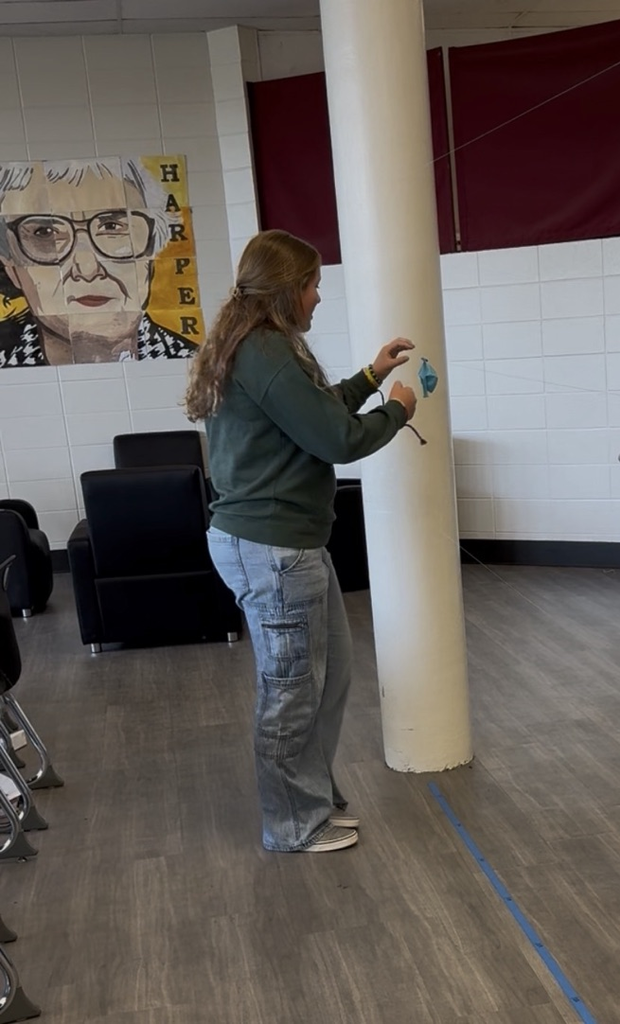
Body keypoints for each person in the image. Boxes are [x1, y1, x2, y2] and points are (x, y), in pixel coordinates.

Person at [184, 229, 417, 853]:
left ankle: (309, 802)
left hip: (285, 546)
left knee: (329, 676)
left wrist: (372, 375)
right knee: (291, 691)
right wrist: (397, 409)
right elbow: (338, 440)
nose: (319, 296)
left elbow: (317, 414)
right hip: (272, 551)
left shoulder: (262, 345)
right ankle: (291, 823)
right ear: (287, 290)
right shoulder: (265, 351)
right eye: (313, 285)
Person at [0, 158, 198, 366]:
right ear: (11, 267)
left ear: (151, 249)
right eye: (46, 233)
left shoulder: (208, 370)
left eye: (112, 227)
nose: (87, 269)